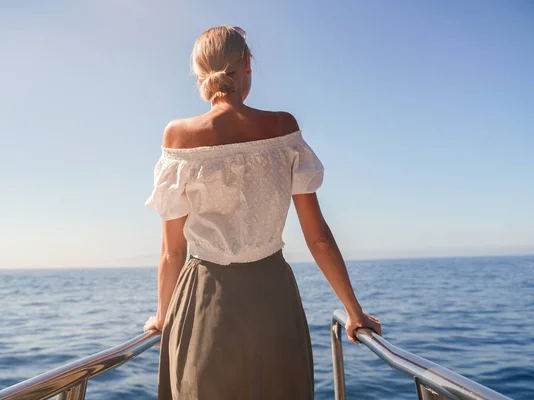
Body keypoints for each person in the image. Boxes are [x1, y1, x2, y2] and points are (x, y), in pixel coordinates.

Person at [143, 25, 381, 400]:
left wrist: (162, 318)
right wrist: (354, 312)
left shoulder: (178, 137)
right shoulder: (282, 128)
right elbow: (317, 237)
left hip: (203, 301)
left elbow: (172, 252)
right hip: (274, 301)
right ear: (248, 64)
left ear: (200, 73)